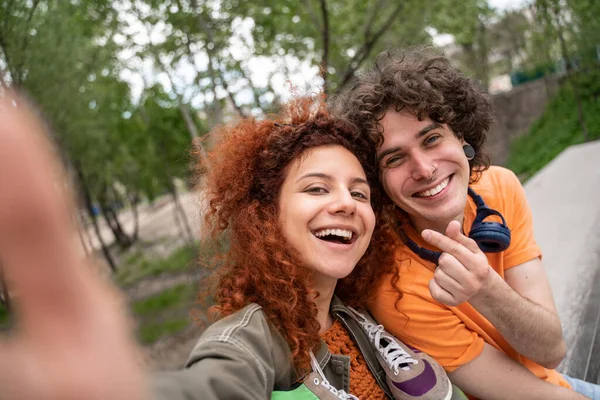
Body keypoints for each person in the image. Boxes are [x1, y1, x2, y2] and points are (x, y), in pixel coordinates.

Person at [0, 92, 465, 400]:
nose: (346, 203)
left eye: (359, 192)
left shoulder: (362, 311)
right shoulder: (251, 339)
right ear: (267, 216)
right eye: (317, 189)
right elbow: (212, 386)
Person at [333, 48, 598, 400]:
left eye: (431, 139)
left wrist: (487, 289)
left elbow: (550, 349)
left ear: (461, 136)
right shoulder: (394, 289)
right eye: (395, 158)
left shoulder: (499, 187)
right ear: (377, 182)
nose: (425, 169)